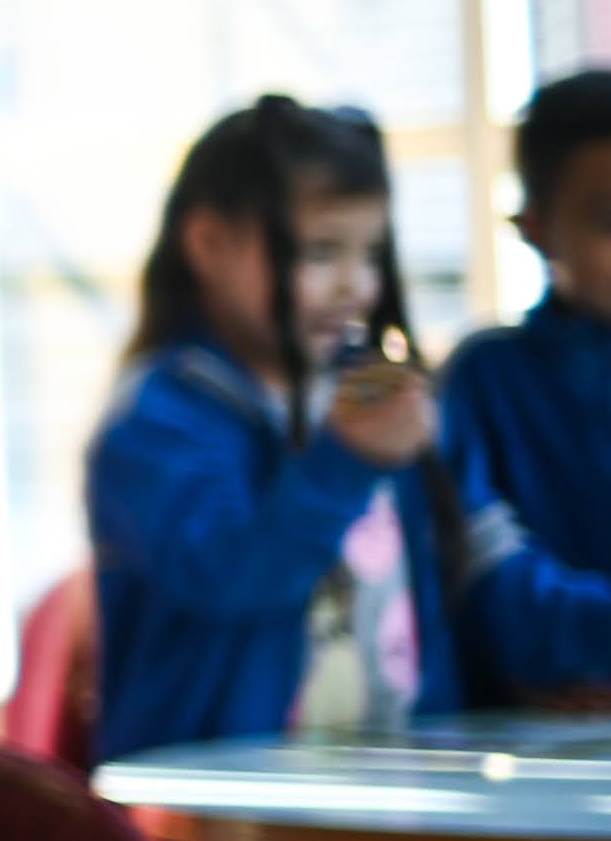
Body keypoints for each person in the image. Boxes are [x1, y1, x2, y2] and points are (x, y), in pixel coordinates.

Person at [90, 94, 611, 762]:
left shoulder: (376, 390)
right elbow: (227, 575)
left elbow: (478, 569)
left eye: (369, 254)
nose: (353, 286)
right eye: (319, 252)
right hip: (221, 819)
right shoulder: (160, 420)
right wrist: (344, 460)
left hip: (391, 791)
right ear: (208, 244)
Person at [438, 67, 611, 688]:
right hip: (532, 748)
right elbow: (491, 588)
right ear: (535, 227)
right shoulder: (485, 379)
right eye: (607, 220)